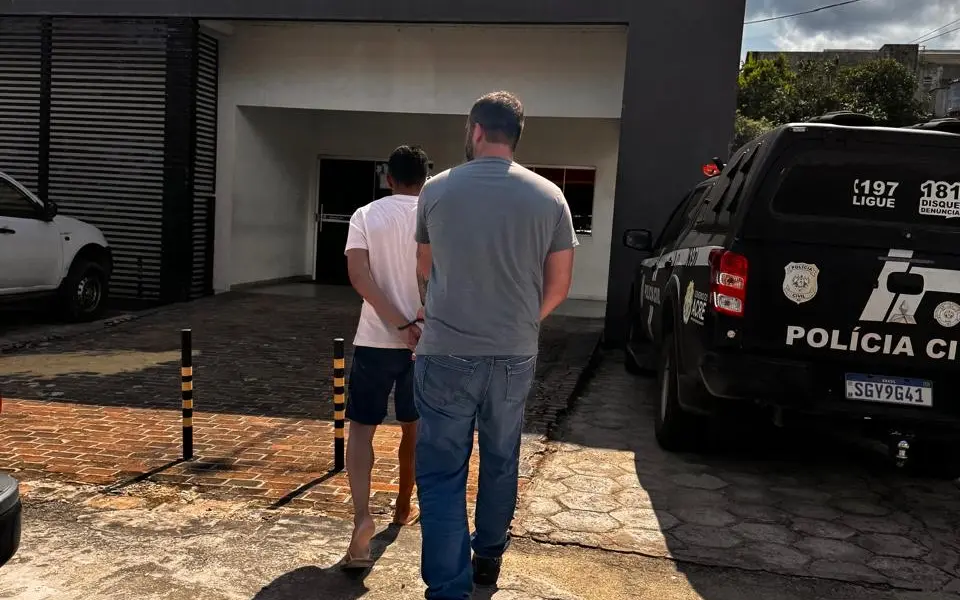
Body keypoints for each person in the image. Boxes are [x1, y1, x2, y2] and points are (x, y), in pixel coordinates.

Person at [413, 91, 578, 598]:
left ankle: (449, 588)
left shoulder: (436, 189)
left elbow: (424, 267)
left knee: (442, 470)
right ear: (517, 135)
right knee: (502, 456)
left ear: (476, 130)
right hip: (513, 353)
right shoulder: (551, 196)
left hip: (445, 351)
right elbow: (560, 284)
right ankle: (487, 557)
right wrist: (523, 321)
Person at [342, 145, 430, 568]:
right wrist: (417, 323)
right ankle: (402, 504)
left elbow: (359, 276)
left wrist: (397, 323)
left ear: (388, 178)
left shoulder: (365, 215)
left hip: (375, 340)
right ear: (425, 179)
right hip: (423, 342)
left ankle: (362, 519)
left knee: (361, 430)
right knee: (414, 428)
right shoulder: (434, 216)